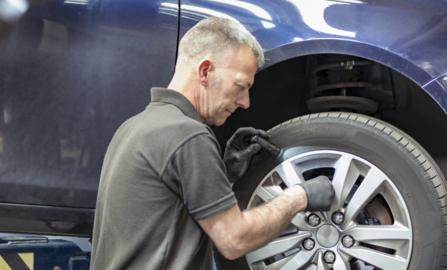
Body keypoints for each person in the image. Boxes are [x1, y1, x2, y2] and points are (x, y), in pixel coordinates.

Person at [90, 16, 334, 270]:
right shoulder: (187, 135)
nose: (245, 102)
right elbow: (234, 240)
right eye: (240, 86)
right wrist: (298, 197)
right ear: (205, 71)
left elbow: (162, 221)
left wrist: (224, 176)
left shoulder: (133, 128)